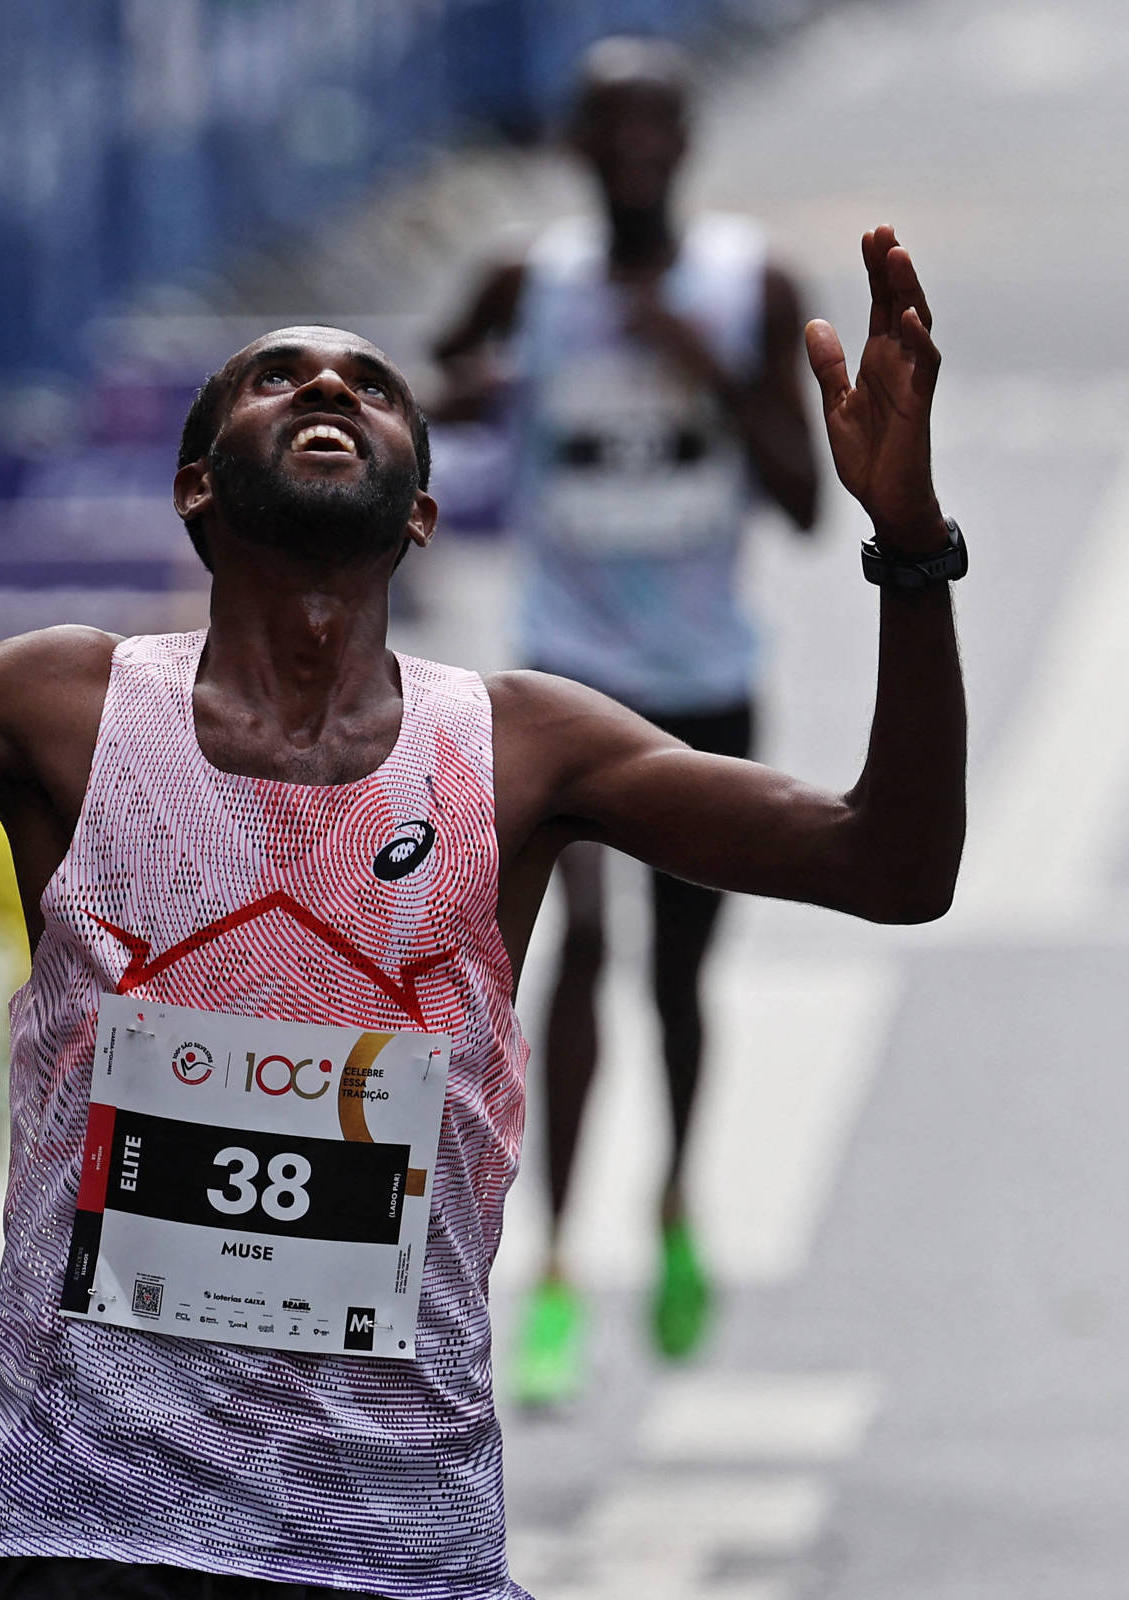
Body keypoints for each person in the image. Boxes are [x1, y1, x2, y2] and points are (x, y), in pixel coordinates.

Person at [0, 172, 961, 1600]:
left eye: (371, 383)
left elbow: (891, 864)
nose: (327, 384)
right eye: (274, 376)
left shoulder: (523, 746)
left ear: (420, 509)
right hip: (96, 1541)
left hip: (401, 1550)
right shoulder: (63, 712)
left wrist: (913, 550)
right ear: (196, 485)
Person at [429, 36, 822, 1401]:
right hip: (566, 675)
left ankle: (674, 1209)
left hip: (709, 672)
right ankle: (550, 1272)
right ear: (577, 149)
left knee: (677, 979)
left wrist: (707, 370)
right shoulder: (524, 284)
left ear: (688, 145)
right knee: (580, 947)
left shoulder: (746, 286)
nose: (635, 154)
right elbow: (422, 397)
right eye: (611, 132)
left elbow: (805, 497)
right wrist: (464, 400)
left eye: (657, 130)